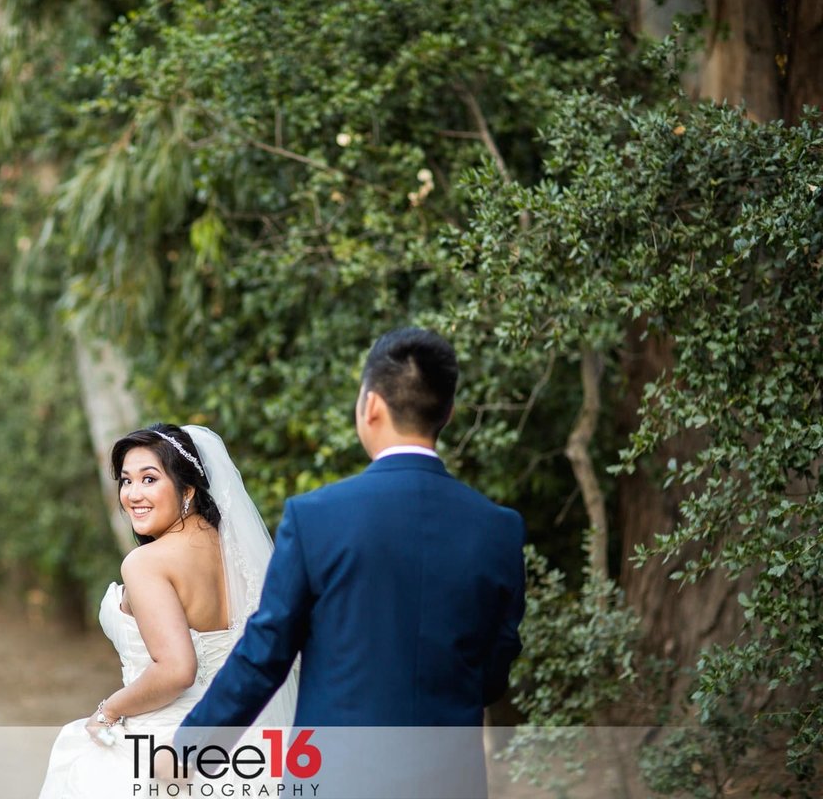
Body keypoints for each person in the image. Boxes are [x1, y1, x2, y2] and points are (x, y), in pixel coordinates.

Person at [177, 328, 527, 798]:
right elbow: (492, 671)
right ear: (448, 412)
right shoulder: (498, 528)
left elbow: (265, 655)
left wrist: (191, 747)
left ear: (371, 406)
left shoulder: (316, 517)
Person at [37, 423, 296, 798]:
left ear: (187, 489)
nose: (133, 495)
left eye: (149, 479)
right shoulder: (238, 555)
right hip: (247, 741)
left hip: (166, 742)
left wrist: (108, 711)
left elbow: (177, 670)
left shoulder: (146, 563)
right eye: (127, 481)